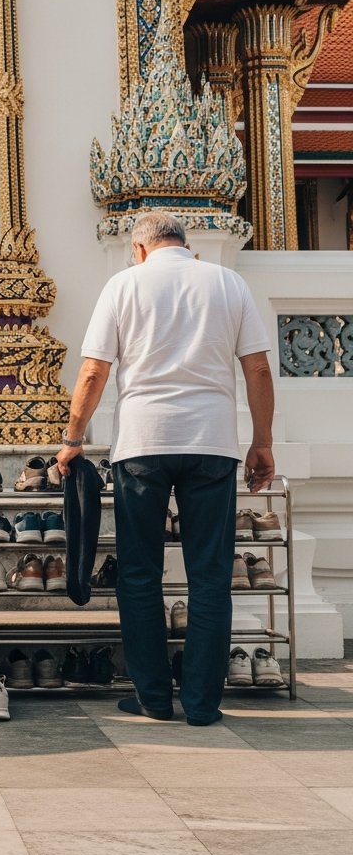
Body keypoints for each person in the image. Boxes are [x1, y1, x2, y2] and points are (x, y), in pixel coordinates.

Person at [55, 211, 275, 727]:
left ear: (138, 249)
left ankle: (153, 696)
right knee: (210, 576)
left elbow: (94, 371)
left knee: (138, 574)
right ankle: (201, 703)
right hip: (211, 442)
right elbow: (259, 368)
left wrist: (72, 439)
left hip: (143, 442)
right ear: (184, 243)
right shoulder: (227, 283)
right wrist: (262, 441)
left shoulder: (124, 285)